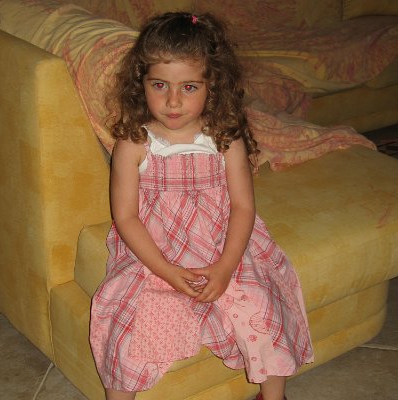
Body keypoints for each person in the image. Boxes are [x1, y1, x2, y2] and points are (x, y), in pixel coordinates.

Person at [90, 12, 313, 400]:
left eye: (189, 87)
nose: (173, 101)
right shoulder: (134, 142)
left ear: (213, 86)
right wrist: (166, 270)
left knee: (262, 307)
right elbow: (125, 217)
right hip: (155, 251)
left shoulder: (224, 138)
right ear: (141, 83)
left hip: (221, 244)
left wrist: (225, 269)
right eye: (160, 85)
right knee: (125, 324)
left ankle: (273, 395)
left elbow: (242, 207)